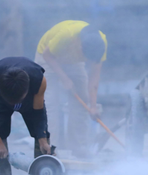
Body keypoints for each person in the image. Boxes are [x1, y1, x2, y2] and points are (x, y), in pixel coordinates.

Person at [0, 56, 51, 175]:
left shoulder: (38, 80)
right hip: (1, 102)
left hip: (29, 102)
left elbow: (38, 113)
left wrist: (42, 139)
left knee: (42, 136)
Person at [35, 20, 107, 156]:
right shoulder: (66, 35)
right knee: (50, 103)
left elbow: (94, 78)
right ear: (80, 47)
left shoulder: (100, 44)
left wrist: (92, 106)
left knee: (82, 99)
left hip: (73, 62)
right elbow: (47, 55)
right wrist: (64, 78)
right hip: (48, 57)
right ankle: (49, 149)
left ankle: (78, 147)